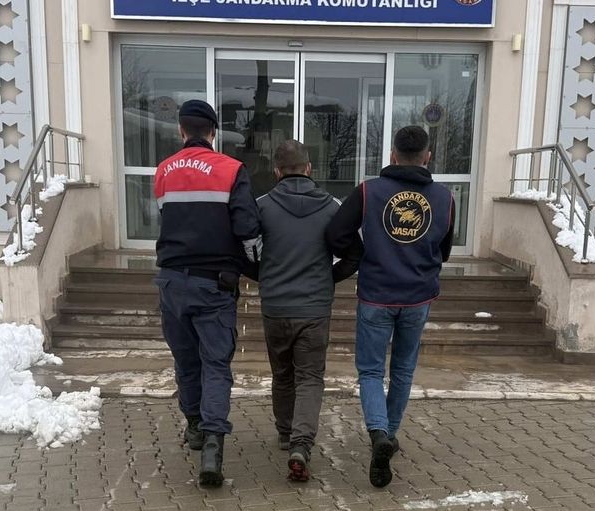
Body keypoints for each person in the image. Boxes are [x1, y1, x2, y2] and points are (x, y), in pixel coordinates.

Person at [325, 126, 454, 488]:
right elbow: (444, 251)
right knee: (403, 370)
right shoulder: (444, 198)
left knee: (370, 371)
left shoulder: (369, 191)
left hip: (376, 296)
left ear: (393, 155)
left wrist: (362, 253)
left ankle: (378, 433)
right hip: (418, 297)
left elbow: (335, 234)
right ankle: (390, 434)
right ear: (427, 157)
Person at [153, 99, 262, 487]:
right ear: (213, 132)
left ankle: (195, 426)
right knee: (215, 364)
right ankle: (213, 446)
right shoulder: (231, 169)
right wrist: (258, 268)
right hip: (214, 284)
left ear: (181, 130)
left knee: (186, 361)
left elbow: (168, 219)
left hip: (171, 282)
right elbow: (248, 230)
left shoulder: (162, 171)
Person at [245, 140, 362, 482]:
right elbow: (355, 253)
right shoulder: (332, 208)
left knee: (282, 374)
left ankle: (286, 433)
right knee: (310, 377)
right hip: (314, 307)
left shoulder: (261, 207)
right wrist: (329, 278)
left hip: (276, 306)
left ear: (277, 172)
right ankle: (301, 444)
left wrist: (266, 278)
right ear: (309, 168)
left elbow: (242, 252)